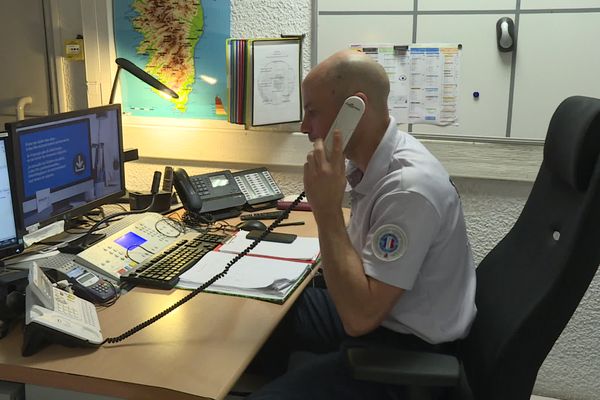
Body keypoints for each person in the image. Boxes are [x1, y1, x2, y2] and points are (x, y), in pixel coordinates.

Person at [247, 49, 476, 399]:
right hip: (378, 311)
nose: (305, 127)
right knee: (257, 313)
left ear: (354, 109)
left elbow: (359, 317)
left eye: (312, 112)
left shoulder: (409, 189)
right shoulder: (371, 166)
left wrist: (326, 209)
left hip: (402, 349)